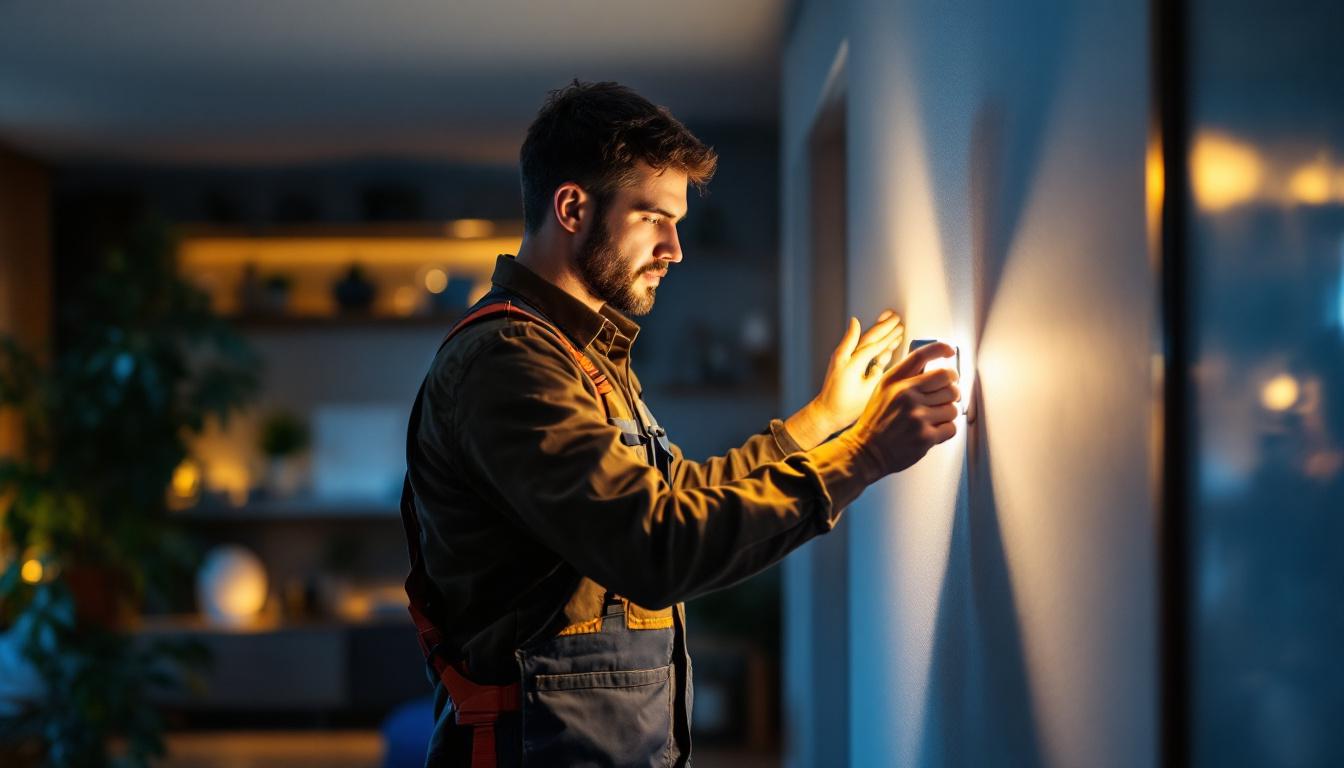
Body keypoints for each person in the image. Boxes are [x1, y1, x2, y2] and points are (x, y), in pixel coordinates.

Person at [401, 80, 960, 767]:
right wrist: (865, 456)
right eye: (652, 217)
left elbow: (675, 498)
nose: (674, 248)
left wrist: (822, 421)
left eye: (677, 223)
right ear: (573, 207)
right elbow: (655, 547)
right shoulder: (509, 363)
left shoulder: (581, 357)